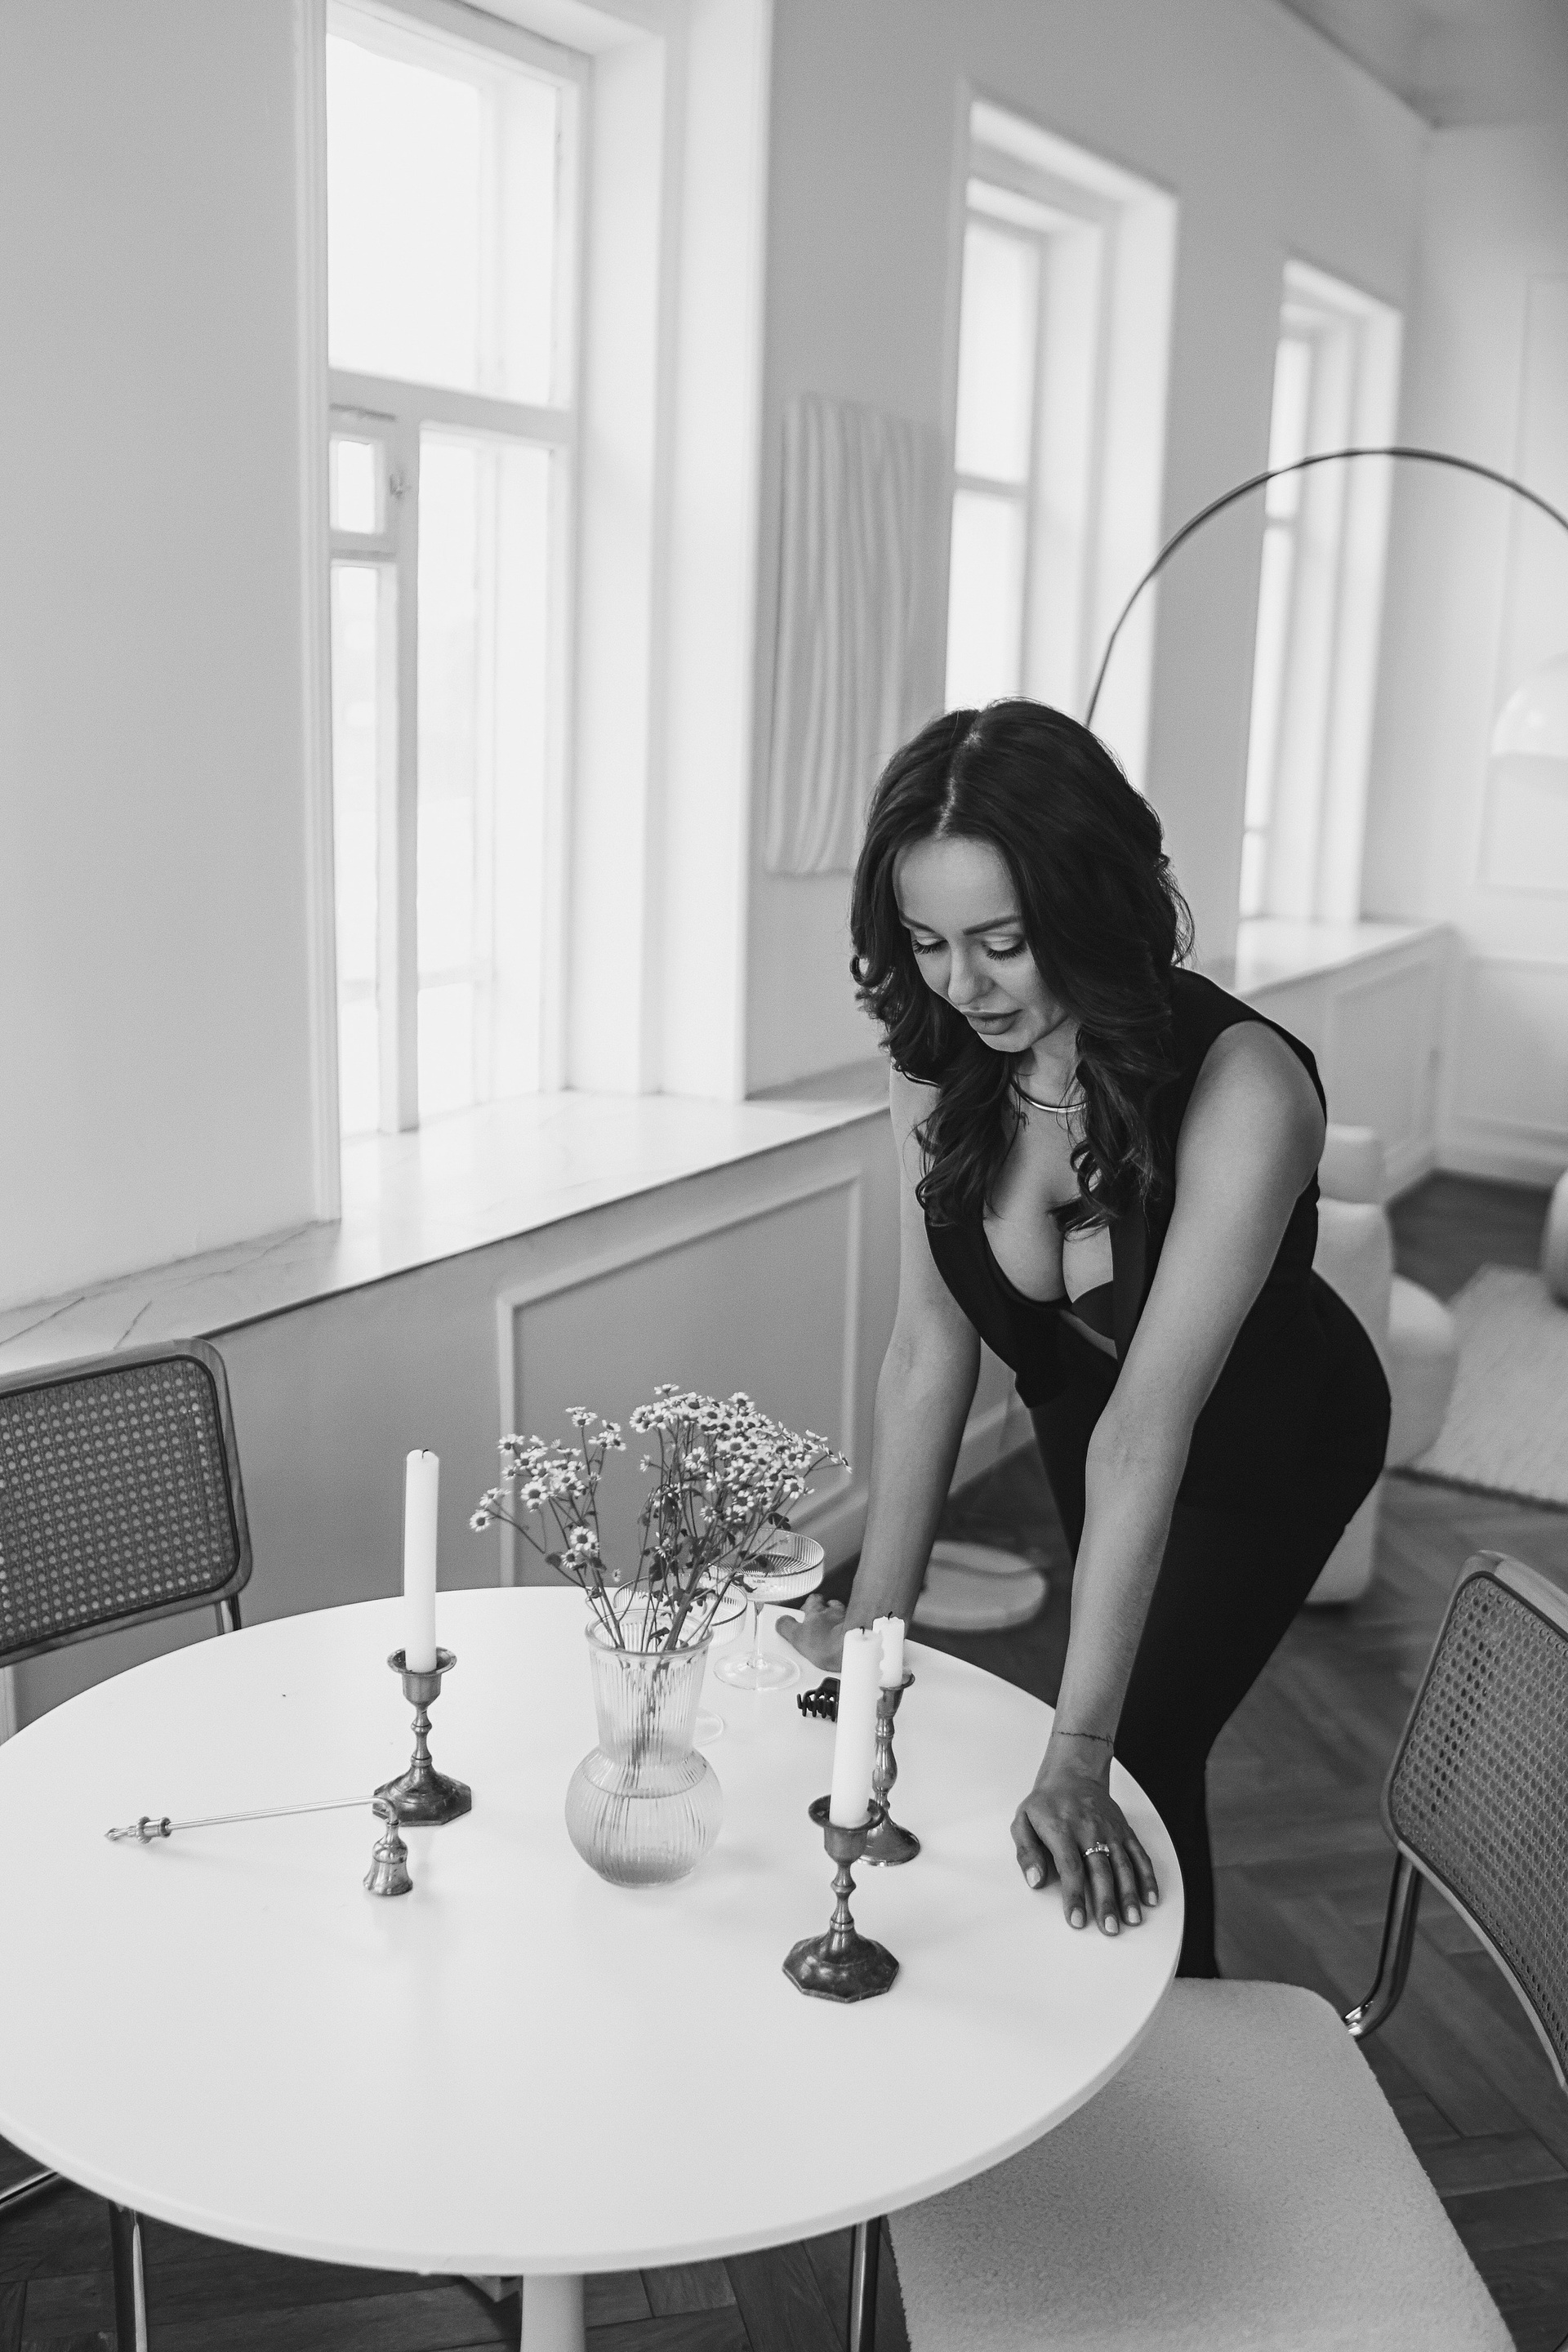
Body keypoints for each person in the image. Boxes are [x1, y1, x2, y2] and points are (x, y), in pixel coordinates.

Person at [777, 701, 1390, 1978]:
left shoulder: (1244, 1089)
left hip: (1267, 1439)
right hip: (1089, 1407)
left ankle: (1184, 2038)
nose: (963, 985)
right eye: (929, 943)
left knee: (1134, 1756)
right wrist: (871, 1644)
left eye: (1002, 943)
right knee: (1131, 1753)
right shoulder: (938, 1055)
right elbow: (929, 1347)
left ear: (1089, 906)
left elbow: (1150, 1433)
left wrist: (1076, 1746)